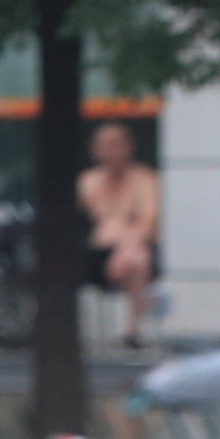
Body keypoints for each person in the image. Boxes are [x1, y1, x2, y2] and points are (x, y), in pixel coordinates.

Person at [77, 121, 163, 350]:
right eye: (104, 145)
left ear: (129, 147)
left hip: (132, 252)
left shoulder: (146, 180)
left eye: (116, 144)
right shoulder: (87, 182)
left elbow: (148, 221)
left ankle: (132, 331)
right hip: (93, 255)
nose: (110, 151)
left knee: (138, 259)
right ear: (94, 150)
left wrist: (124, 252)